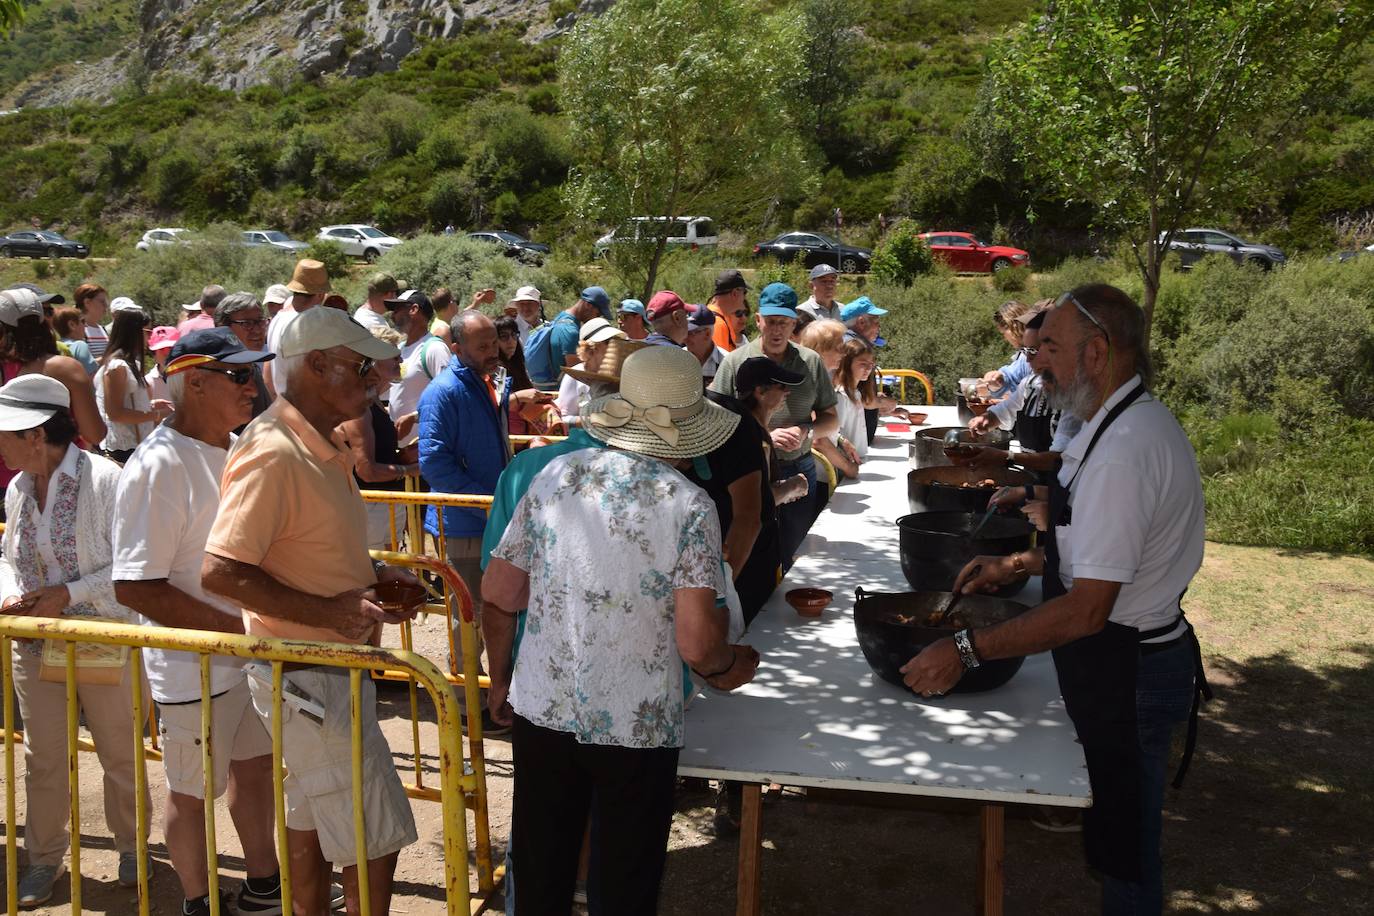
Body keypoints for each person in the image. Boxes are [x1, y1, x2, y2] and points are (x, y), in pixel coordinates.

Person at [901, 284, 1211, 916]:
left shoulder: (1125, 448)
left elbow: (1088, 608)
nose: (1036, 361)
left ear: (1096, 352)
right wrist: (1020, 560)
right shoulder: (1115, 422)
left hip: (1132, 666)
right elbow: (1110, 555)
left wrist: (965, 648)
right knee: (1118, 833)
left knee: (1126, 846)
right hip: (1122, 656)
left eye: (1049, 347)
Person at [481, 345, 759, 915]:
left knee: (540, 869)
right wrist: (732, 666)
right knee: (623, 881)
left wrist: (500, 679)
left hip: (546, 709)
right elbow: (697, 644)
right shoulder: (689, 505)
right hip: (636, 723)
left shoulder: (556, 474)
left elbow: (501, 594)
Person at [201, 306, 421, 916]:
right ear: (318, 366)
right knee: (372, 828)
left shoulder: (316, 445)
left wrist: (371, 579)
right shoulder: (274, 450)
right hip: (308, 674)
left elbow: (299, 551)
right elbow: (220, 570)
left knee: (314, 816)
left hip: (318, 672)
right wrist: (329, 610)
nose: (374, 380)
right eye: (361, 367)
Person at [110, 328, 296, 916]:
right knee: (191, 794)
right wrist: (237, 631)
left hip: (240, 659)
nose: (252, 387)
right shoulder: (158, 466)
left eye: (253, 375)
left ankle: (262, 884)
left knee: (255, 768)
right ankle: (197, 902)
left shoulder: (234, 444)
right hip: (192, 669)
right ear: (194, 382)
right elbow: (136, 585)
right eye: (239, 376)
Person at [0, 374, 151, 906]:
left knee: (118, 750)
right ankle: (43, 859)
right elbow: (10, 558)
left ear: (37, 435)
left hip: (103, 637)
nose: (1, 444)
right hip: (37, 642)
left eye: (7, 434)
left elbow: (134, 570)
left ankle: (132, 847)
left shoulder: (107, 480)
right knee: (43, 756)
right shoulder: (19, 488)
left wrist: (67, 593)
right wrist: (13, 593)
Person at [710, 283, 838, 567]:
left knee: (798, 557)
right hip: (746, 475)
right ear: (758, 320)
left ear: (795, 322)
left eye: (783, 322)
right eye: (770, 322)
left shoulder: (810, 362)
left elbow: (832, 419)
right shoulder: (734, 362)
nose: (777, 330)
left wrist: (807, 431)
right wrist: (763, 437)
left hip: (799, 467)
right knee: (753, 558)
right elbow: (715, 420)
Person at [418, 310, 515, 667]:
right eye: (483, 346)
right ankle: (463, 702)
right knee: (469, 615)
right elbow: (433, 464)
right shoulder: (443, 393)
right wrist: (484, 503)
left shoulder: (486, 381)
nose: (494, 351)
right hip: (465, 523)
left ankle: (489, 694)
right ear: (456, 348)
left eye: (495, 342)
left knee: (492, 608)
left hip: (490, 516)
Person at [964, 308, 1083, 478]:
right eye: (1025, 351)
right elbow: (1006, 409)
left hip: (1059, 493)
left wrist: (1007, 457)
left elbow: (1059, 459)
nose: (1027, 360)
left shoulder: (1076, 394)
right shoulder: (1031, 384)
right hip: (1031, 484)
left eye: (1033, 351)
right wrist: (986, 421)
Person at [0, 288, 106, 464]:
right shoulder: (65, 369)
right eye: (48, 312)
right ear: (43, 322)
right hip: (60, 475)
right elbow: (95, 434)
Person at [337, 326, 419, 550]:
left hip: (384, 504)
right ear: (372, 359)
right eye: (392, 355)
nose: (400, 359)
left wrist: (401, 457)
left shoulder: (373, 401)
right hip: (369, 507)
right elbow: (366, 470)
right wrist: (408, 471)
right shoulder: (359, 405)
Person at [94, 297, 171, 462]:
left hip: (135, 446)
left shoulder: (129, 364)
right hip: (125, 451)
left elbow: (126, 404)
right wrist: (156, 414)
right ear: (134, 333)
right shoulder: (118, 367)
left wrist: (149, 405)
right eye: (147, 332)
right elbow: (115, 413)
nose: (148, 339)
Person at [386, 289, 452, 459]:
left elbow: (449, 399)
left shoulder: (434, 349)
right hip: (401, 452)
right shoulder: (400, 349)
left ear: (414, 309)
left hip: (424, 452)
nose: (393, 316)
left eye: (397, 310)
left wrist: (414, 418)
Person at [264, 259, 331, 396]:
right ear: (320, 294)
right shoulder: (308, 324)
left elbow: (268, 377)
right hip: (304, 410)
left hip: (284, 407)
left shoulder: (276, 320)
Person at [525, 286, 609, 391]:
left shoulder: (562, 317)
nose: (597, 318)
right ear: (588, 305)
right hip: (560, 393)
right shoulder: (570, 331)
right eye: (598, 314)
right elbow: (576, 373)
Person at [213, 291, 273, 425]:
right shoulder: (218, 376)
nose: (258, 330)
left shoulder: (253, 367)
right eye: (247, 324)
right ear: (223, 328)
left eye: (260, 321)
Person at [554, 316, 626, 427]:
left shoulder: (621, 373)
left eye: (616, 340)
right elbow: (563, 418)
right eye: (608, 341)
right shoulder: (573, 376)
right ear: (591, 349)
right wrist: (594, 421)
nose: (615, 345)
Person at [706, 269, 750, 352]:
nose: (744, 298)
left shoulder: (716, 317)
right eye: (744, 292)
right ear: (735, 293)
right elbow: (719, 363)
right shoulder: (717, 324)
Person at [685, 305, 726, 383]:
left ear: (707, 334)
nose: (684, 338)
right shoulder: (678, 359)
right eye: (684, 332)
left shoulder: (727, 363)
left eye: (690, 333)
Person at [52, 306, 97, 374]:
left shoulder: (54, 347)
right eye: (83, 321)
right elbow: (91, 377)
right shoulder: (80, 346)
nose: (86, 326)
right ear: (71, 325)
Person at [73, 283, 109, 361]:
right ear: (87, 302)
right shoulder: (78, 330)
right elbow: (81, 363)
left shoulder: (103, 329)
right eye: (102, 301)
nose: (106, 306)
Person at [146, 325, 180, 402]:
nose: (166, 353)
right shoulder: (147, 383)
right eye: (161, 349)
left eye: (170, 348)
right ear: (154, 354)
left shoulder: (189, 377)